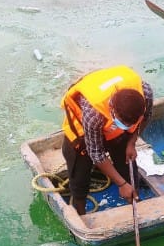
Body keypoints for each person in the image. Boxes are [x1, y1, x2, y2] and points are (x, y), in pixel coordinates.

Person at [60, 65, 153, 215]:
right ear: (113, 111)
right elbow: (96, 154)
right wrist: (121, 184)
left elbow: (146, 117)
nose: (126, 127)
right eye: (123, 123)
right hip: (81, 133)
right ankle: (81, 212)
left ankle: (134, 206)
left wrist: (131, 142)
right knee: (79, 178)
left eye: (130, 124)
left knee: (129, 170)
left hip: (113, 130)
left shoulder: (146, 93)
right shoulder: (93, 113)